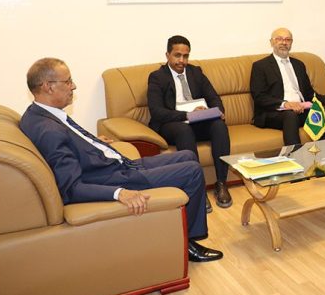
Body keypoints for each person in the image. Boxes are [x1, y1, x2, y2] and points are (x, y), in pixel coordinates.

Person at [20, 58, 223, 262]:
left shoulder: (39, 114)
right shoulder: (48, 130)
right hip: (114, 177)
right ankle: (186, 243)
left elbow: (70, 142)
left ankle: (186, 236)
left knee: (187, 155)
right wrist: (118, 193)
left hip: (118, 165)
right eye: (67, 81)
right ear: (48, 87)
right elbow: (71, 188)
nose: (73, 86)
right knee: (192, 171)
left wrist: (93, 143)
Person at [147, 35, 232, 211]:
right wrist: (187, 114)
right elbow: (157, 111)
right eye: (177, 55)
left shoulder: (195, 72)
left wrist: (217, 111)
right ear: (167, 55)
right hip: (172, 124)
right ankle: (198, 189)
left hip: (197, 122)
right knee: (184, 130)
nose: (182, 60)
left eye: (185, 56)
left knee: (219, 126)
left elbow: (213, 97)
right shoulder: (157, 77)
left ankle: (221, 183)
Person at [250, 27, 325, 146]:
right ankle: (294, 155)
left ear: (291, 43)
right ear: (271, 42)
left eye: (288, 39)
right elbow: (259, 96)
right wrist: (286, 104)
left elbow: (309, 93)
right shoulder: (260, 66)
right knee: (290, 115)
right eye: (279, 39)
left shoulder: (298, 65)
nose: (284, 42)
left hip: (301, 110)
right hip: (275, 113)